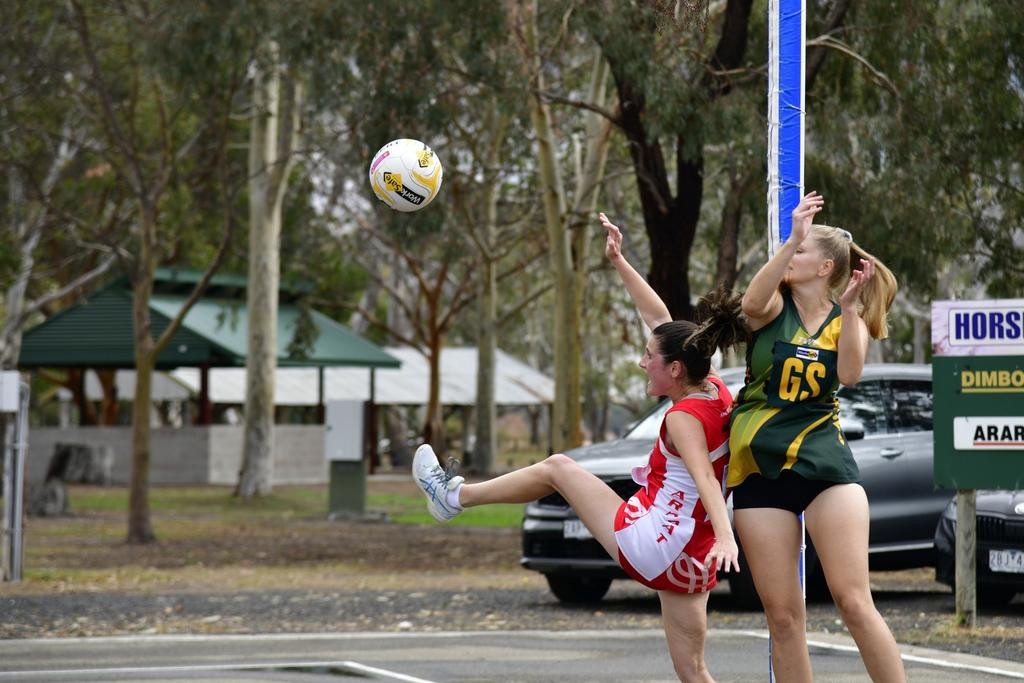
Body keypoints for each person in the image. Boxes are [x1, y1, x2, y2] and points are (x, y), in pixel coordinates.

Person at [412, 211, 748, 682]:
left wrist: (729, 534)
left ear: (674, 370)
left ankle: (451, 497)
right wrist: (620, 262)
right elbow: (660, 320)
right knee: (693, 672)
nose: (640, 362)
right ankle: (451, 497)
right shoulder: (712, 387)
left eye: (648, 358)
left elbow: (706, 482)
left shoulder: (684, 419)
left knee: (558, 468)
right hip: (692, 552)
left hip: (657, 540)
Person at [728, 191, 905, 682]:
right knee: (783, 617)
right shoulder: (771, 309)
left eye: (802, 251)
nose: (791, 254)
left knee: (853, 600)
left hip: (825, 464)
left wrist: (849, 310)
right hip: (759, 467)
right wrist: (792, 240)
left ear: (826, 267)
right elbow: (749, 302)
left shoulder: (849, 317)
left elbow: (848, 374)